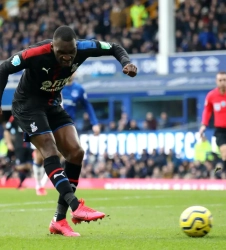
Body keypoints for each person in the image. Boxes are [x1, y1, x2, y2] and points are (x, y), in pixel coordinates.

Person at [0, 25, 137, 237]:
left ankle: (59, 220)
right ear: (52, 46)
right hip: (27, 105)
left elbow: (114, 47)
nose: (66, 57)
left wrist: (126, 62)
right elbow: (4, 68)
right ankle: (75, 206)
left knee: (76, 153)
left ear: (76, 47)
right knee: (49, 150)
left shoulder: (84, 48)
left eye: (70, 53)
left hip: (53, 103)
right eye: (61, 53)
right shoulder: (35, 53)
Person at [34, 74, 101, 195]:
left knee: (59, 154)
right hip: (48, 122)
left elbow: (87, 105)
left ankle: (42, 185)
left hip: (66, 126)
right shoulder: (57, 86)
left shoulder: (79, 89)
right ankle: (38, 183)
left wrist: (95, 122)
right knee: (40, 155)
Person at [1, 115, 33, 189]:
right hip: (20, 145)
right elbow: (6, 131)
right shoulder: (15, 116)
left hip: (30, 146)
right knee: (22, 164)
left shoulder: (31, 114)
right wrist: (9, 143)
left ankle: (10, 171)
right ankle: (19, 184)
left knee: (29, 166)